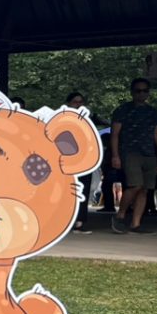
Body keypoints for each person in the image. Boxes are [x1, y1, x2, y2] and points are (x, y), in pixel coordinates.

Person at [111, 77, 157, 235]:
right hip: (130, 152)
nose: (141, 93)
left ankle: (136, 224)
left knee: (144, 189)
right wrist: (115, 155)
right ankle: (120, 215)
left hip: (149, 153)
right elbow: (115, 134)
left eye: (145, 90)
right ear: (132, 92)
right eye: (138, 90)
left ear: (148, 93)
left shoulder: (152, 112)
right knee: (135, 185)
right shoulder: (122, 110)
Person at [64, 92, 95, 233]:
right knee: (67, 191)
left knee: (83, 190)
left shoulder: (87, 120)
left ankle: (80, 221)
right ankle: (65, 221)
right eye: (75, 102)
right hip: (66, 161)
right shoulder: (62, 118)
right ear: (68, 103)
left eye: (81, 102)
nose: (79, 105)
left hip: (84, 161)